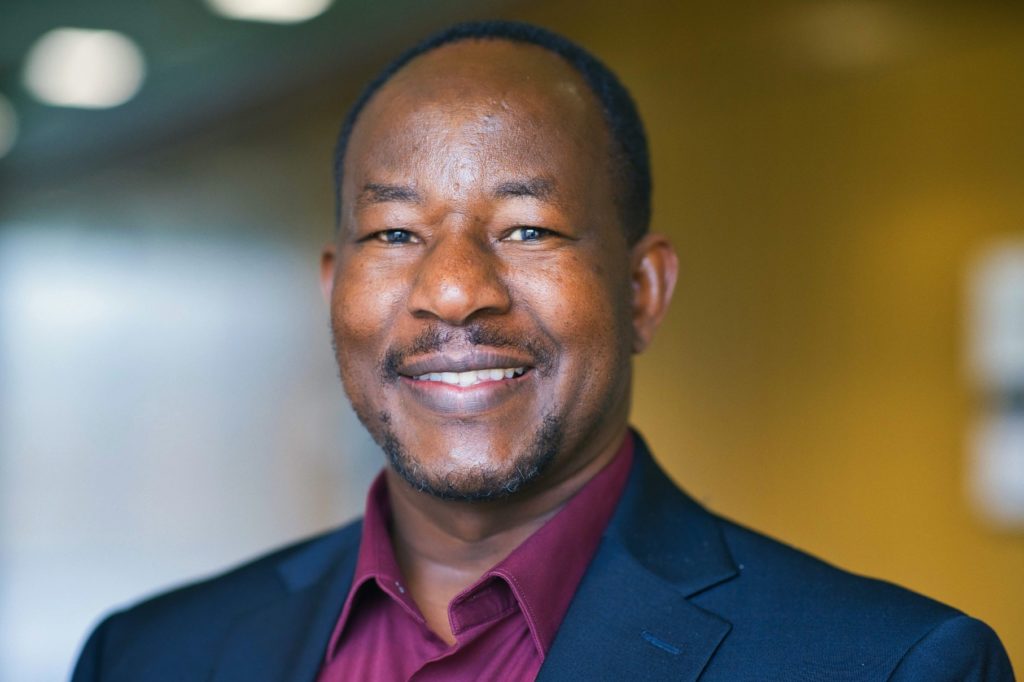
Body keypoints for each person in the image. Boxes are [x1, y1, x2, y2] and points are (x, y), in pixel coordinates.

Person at [72, 20, 1014, 681]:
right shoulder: (149, 656)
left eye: (527, 229)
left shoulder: (889, 667)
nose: (452, 290)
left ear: (641, 293)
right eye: (394, 235)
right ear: (334, 292)